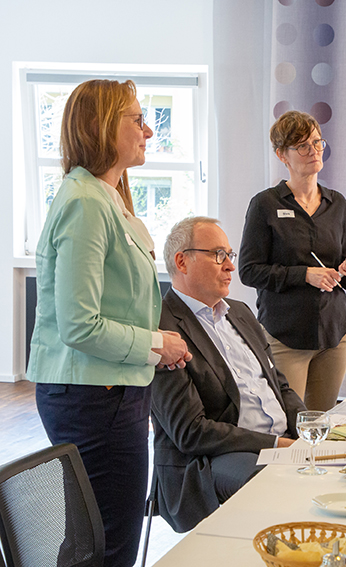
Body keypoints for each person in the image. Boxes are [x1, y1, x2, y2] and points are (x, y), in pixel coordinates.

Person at [26, 79, 190, 566]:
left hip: (108, 389)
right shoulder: (86, 203)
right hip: (94, 396)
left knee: (95, 539)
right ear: (101, 126)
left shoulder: (104, 196)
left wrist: (153, 345)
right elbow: (80, 324)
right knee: (106, 543)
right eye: (137, 120)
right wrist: (155, 344)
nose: (148, 132)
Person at [151, 216, 307, 532]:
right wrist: (276, 444)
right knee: (276, 486)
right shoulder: (161, 330)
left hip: (279, 442)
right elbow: (191, 432)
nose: (230, 266)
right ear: (182, 261)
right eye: (218, 255)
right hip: (210, 459)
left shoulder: (240, 312)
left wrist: (308, 429)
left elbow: (279, 386)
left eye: (230, 255)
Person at [239, 110, 346, 411]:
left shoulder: (337, 203)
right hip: (286, 336)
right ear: (282, 155)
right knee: (290, 424)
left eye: (317, 142)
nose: (314, 151)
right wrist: (305, 275)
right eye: (302, 146)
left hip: (335, 334)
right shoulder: (265, 204)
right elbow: (248, 271)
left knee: (322, 422)